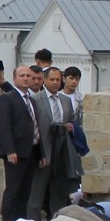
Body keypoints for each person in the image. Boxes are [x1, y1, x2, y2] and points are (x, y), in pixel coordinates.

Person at [0, 64, 45, 221]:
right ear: (14, 78)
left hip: (31, 151)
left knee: (25, 191)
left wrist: (41, 153)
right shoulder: (7, 98)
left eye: (28, 76)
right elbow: (4, 126)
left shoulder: (31, 100)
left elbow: (36, 126)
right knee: (13, 190)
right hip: (15, 153)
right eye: (22, 76)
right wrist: (10, 150)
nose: (26, 78)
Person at [43, 65, 82, 213]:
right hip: (45, 147)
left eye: (57, 80)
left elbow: (75, 121)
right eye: (52, 79)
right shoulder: (39, 99)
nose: (55, 82)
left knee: (61, 187)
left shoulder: (71, 100)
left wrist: (72, 127)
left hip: (63, 147)